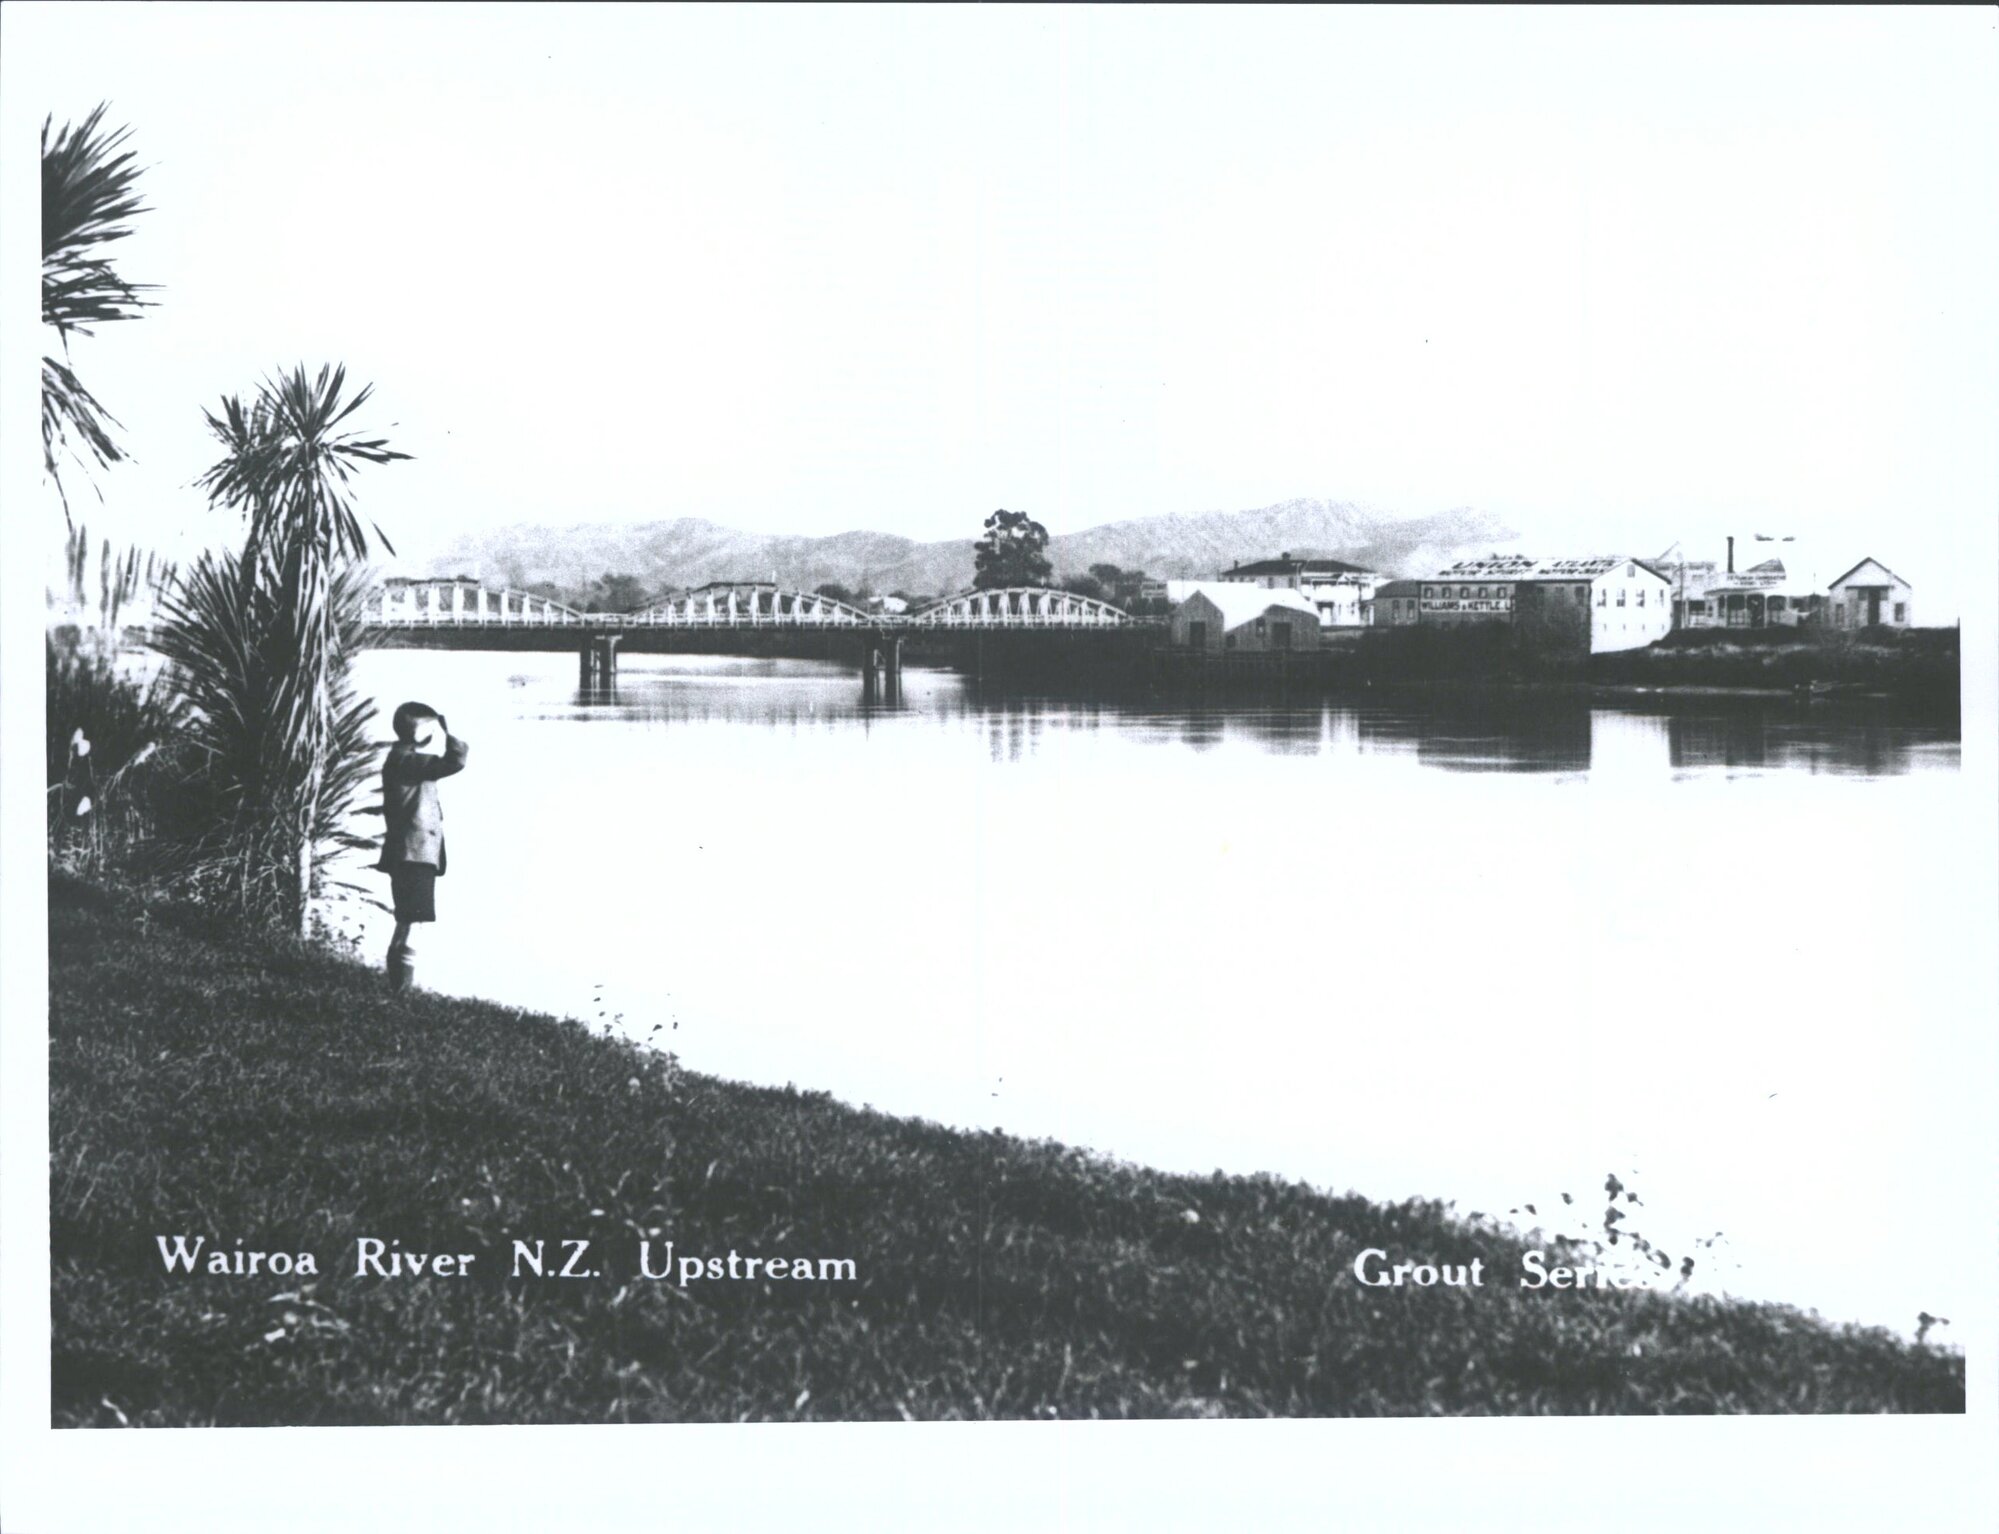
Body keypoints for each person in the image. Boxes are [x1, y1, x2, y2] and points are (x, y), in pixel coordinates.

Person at [377, 701, 469, 992]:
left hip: (409, 853)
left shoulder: (404, 759)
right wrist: (450, 731)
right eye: (429, 728)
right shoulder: (408, 761)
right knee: (413, 921)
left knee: (407, 920)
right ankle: (401, 991)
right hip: (413, 855)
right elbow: (456, 761)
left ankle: (398, 988)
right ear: (417, 732)